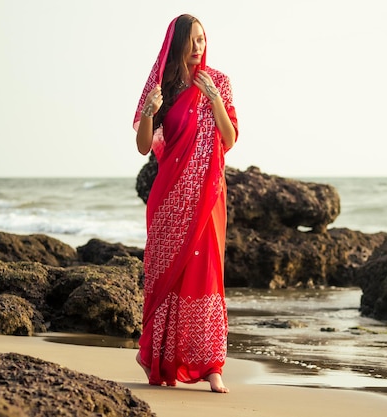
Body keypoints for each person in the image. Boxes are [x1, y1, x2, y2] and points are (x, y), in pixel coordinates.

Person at [132, 14, 238, 393]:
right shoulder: (164, 89)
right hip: (168, 200)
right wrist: (148, 111)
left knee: (207, 274)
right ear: (176, 44)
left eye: (203, 39)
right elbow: (145, 145)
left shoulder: (219, 82)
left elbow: (229, 138)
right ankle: (161, 360)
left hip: (208, 197)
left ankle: (212, 366)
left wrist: (214, 99)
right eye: (192, 40)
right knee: (166, 278)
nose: (199, 47)